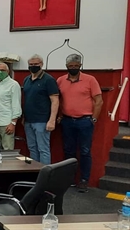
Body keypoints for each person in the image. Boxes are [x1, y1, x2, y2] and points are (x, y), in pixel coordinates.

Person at [57, 54, 102, 192]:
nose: (73, 68)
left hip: (85, 121)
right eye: (71, 66)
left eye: (76, 66)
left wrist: (93, 119)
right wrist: (59, 116)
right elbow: (58, 100)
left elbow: (99, 101)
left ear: (80, 66)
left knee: (85, 151)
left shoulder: (90, 80)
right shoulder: (60, 80)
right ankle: (69, 179)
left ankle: (84, 180)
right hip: (67, 120)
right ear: (66, 67)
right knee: (68, 151)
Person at [23, 54, 59, 165]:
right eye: (31, 64)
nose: (33, 66)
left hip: (42, 121)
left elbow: (55, 100)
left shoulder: (48, 80)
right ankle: (35, 174)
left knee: (43, 149)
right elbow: (27, 99)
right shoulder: (26, 80)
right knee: (32, 148)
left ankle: (45, 176)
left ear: (41, 65)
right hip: (28, 121)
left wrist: (52, 120)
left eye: (36, 64)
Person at [0, 63, 22, 151]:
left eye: (2, 70)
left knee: (7, 150)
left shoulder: (13, 84)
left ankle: (8, 165)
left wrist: (13, 123)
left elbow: (16, 104)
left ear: (8, 71)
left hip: (6, 124)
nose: (0, 72)